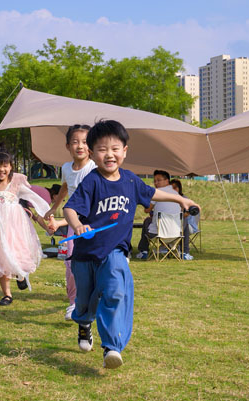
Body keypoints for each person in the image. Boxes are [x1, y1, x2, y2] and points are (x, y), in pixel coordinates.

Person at [63, 120, 199, 369]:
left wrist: (180, 199)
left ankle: (112, 347)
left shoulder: (130, 181)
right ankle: (84, 323)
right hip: (86, 254)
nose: (109, 154)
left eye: (115, 148)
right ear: (92, 154)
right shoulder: (92, 181)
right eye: (102, 149)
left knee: (116, 291)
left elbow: (151, 193)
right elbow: (70, 208)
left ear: (125, 151)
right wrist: (78, 225)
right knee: (83, 301)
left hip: (115, 251)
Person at [0, 146, 51, 306]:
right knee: (1, 257)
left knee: (18, 252)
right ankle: (7, 294)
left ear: (11, 166)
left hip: (16, 226)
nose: (2, 169)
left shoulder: (16, 185)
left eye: (5, 166)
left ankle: (20, 275)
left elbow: (34, 198)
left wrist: (49, 214)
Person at [44, 125, 97, 321]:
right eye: (75, 142)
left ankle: (95, 299)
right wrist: (54, 208)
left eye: (85, 142)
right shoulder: (66, 168)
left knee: (95, 263)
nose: (80, 146)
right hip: (74, 223)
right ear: (68, 146)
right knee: (71, 264)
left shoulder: (95, 167)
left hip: (93, 222)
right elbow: (65, 188)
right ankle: (74, 303)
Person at [136, 171, 193, 260]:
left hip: (158, 234)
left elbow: (147, 210)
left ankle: (144, 251)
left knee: (147, 220)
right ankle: (185, 252)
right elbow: (182, 210)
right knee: (184, 220)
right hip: (176, 234)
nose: (156, 183)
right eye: (155, 181)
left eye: (159, 180)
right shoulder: (176, 194)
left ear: (167, 181)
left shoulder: (156, 193)